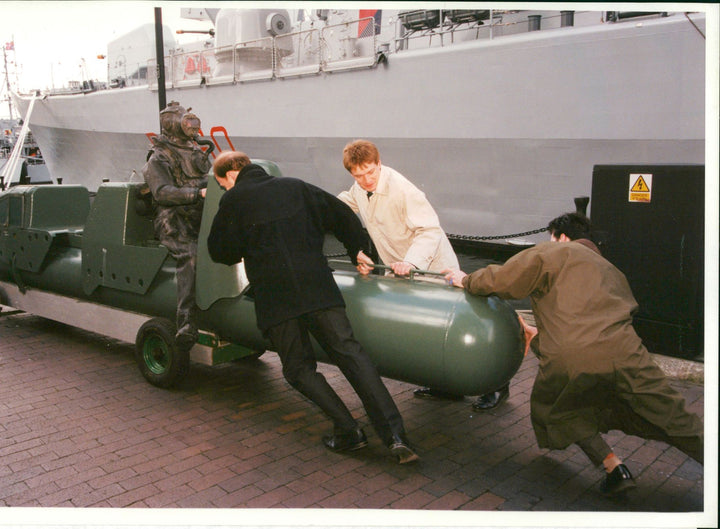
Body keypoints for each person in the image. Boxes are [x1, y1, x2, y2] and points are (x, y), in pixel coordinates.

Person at [444, 212, 704, 496]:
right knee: (672, 417)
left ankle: (613, 466)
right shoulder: (612, 270)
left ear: (562, 236)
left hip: (574, 359)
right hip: (630, 356)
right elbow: (594, 323)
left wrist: (467, 279)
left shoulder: (556, 252)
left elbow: (505, 279)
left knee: (560, 410)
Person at [207, 151, 419, 464]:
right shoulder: (297, 187)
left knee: (298, 370)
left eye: (223, 186)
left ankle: (349, 430)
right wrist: (357, 249)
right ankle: (396, 436)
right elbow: (343, 216)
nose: (225, 190)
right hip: (318, 289)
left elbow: (221, 252)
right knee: (352, 357)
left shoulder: (233, 201)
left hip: (277, 299)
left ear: (227, 177)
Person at [337, 139, 509, 410]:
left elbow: (429, 231)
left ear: (379, 163)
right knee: (428, 328)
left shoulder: (404, 190)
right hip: (401, 267)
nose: (366, 180)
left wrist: (411, 262)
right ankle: (446, 386)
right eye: (358, 176)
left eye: (370, 172)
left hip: (430, 265)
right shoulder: (359, 188)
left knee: (456, 318)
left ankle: (497, 384)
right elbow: (345, 204)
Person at [142, 101, 211, 354]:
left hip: (198, 213)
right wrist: (197, 193)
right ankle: (186, 322)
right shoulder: (159, 157)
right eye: (186, 122)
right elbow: (161, 193)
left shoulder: (194, 152)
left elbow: (207, 179)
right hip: (172, 219)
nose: (191, 126)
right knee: (189, 253)